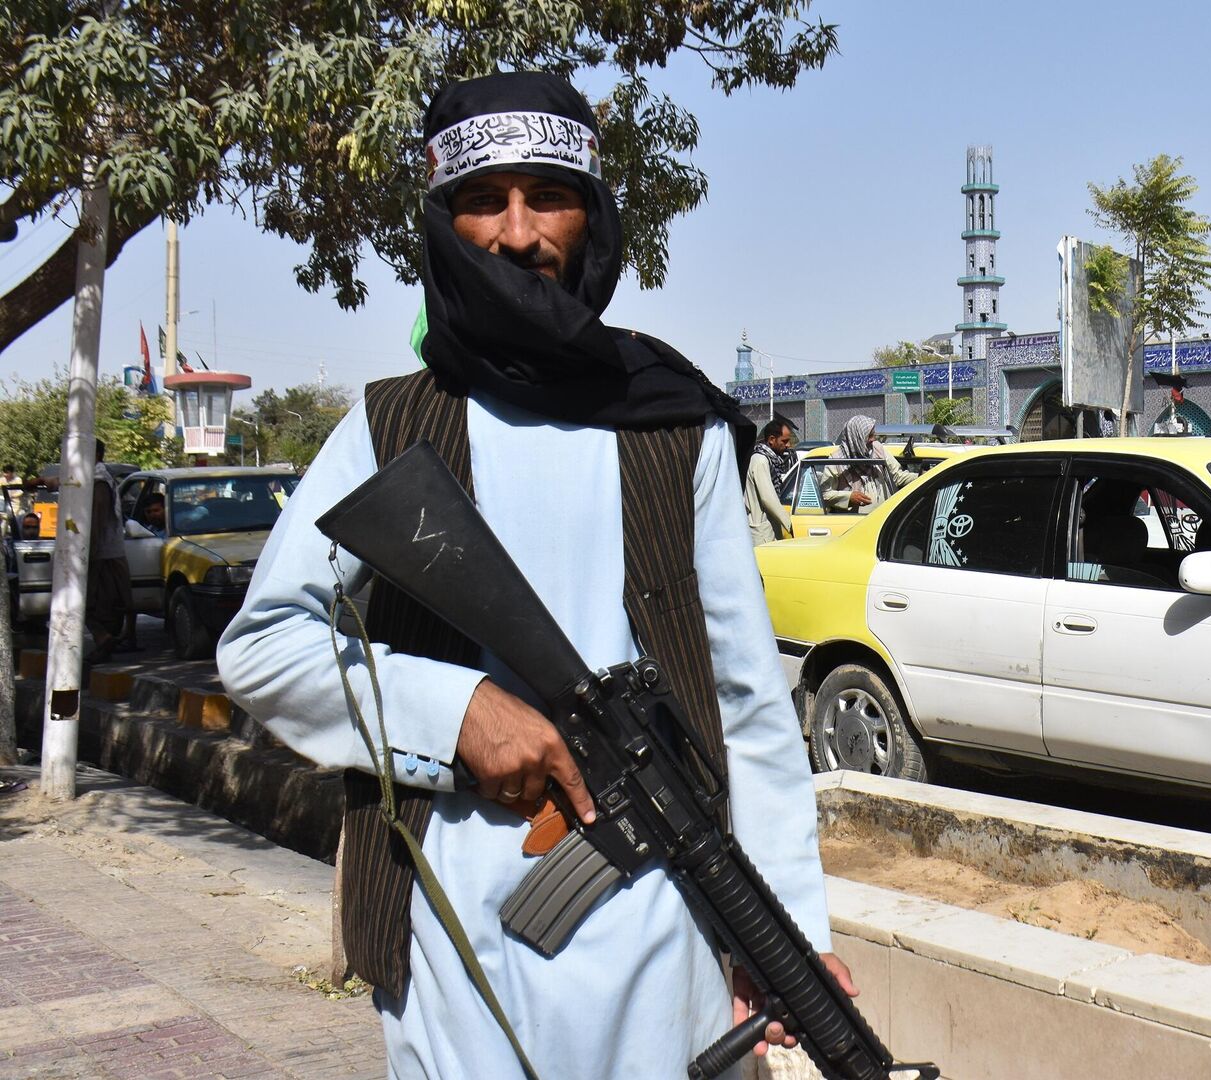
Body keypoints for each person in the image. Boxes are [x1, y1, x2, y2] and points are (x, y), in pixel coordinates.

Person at [217, 72, 847, 1079]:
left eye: (546, 196)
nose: (518, 235)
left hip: (660, 922)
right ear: (444, 224)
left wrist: (789, 935)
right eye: (483, 201)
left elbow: (747, 702)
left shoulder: (671, 423)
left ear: (591, 219)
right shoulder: (389, 427)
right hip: (447, 923)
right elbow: (264, 646)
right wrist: (457, 710)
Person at [85, 439, 131, 661]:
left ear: (96, 454)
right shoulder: (92, 476)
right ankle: (107, 641)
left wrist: (89, 552)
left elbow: (98, 518)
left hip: (103, 553)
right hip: (105, 552)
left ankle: (104, 639)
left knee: (93, 604)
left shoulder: (100, 480)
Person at [820, 414, 914, 513]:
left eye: (873, 435)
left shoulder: (877, 449)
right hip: (852, 522)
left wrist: (922, 476)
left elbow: (898, 476)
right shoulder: (836, 460)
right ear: (857, 437)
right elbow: (824, 494)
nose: (873, 439)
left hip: (884, 518)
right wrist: (849, 498)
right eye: (869, 436)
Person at [744, 416, 796, 545]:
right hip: (761, 532)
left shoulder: (769, 460)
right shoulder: (760, 460)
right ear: (772, 439)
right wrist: (790, 524)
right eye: (784, 441)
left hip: (769, 527)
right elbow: (768, 498)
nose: (788, 445)